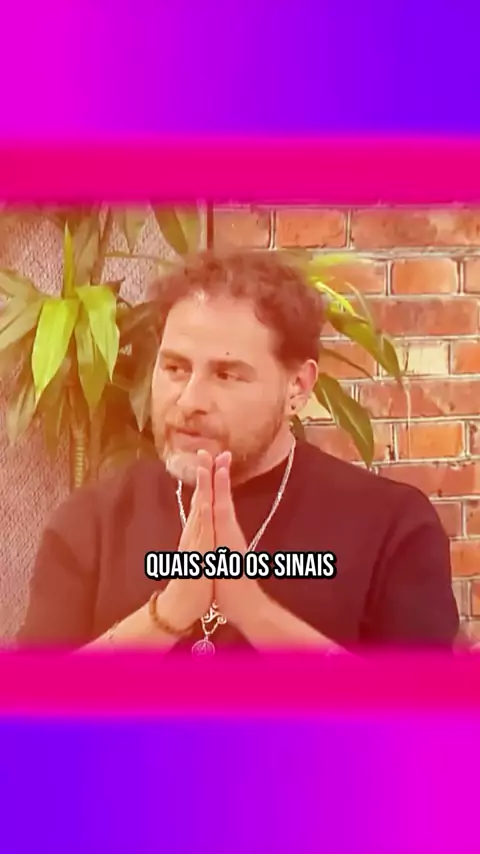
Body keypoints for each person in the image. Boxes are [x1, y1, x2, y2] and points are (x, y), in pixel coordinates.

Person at [16, 250, 459, 653]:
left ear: (297, 387)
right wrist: (167, 614)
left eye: (226, 375)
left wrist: (253, 611)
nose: (189, 400)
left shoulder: (391, 526)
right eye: (175, 368)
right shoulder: (93, 521)